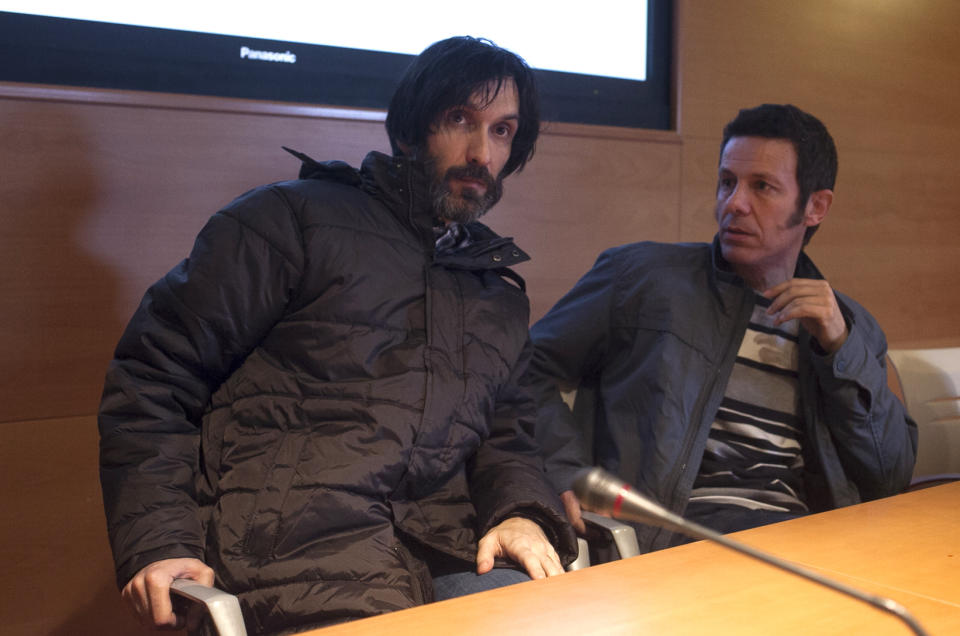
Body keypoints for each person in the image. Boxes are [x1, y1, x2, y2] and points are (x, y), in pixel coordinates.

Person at [98, 36, 576, 635]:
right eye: (460, 119)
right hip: (290, 555)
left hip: (447, 550)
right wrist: (160, 542)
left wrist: (520, 512)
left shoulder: (493, 293)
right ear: (410, 128)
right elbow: (152, 381)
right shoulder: (288, 222)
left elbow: (508, 438)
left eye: (503, 131)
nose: (481, 152)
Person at [525, 103, 917, 553]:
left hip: (805, 543)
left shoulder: (848, 326)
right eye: (727, 182)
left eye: (762, 187)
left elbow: (890, 476)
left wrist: (839, 348)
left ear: (815, 206)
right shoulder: (641, 278)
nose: (734, 203)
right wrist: (564, 470)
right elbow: (525, 368)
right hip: (674, 539)